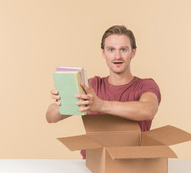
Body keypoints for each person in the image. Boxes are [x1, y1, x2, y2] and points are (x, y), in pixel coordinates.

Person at [46, 25, 161, 159]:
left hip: (134, 165)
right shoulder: (91, 86)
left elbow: (149, 110)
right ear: (103, 53)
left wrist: (100, 105)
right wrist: (63, 100)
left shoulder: (145, 85)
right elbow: (50, 117)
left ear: (133, 52)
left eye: (123, 49)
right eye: (111, 49)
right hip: (94, 164)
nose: (117, 56)